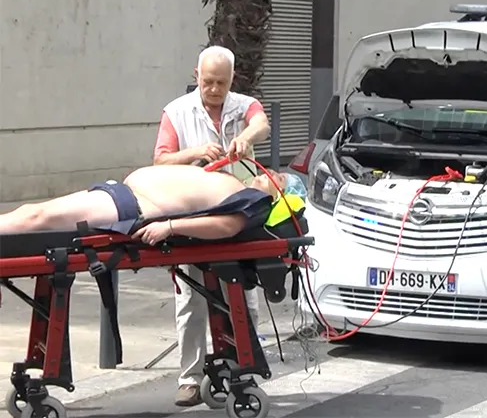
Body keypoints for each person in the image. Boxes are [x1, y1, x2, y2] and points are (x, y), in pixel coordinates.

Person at [152, 45, 272, 407]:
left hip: (237, 212)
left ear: (232, 80)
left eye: (221, 82)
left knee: (243, 295)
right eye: (208, 82)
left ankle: (244, 367)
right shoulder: (176, 112)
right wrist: (195, 153)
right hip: (193, 213)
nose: (215, 89)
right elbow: (160, 161)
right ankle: (189, 379)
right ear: (196, 76)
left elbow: (261, 123)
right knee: (191, 299)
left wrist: (245, 139)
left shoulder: (243, 105)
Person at [0, 164, 307, 238]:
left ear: (281, 194)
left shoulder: (255, 202)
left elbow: (227, 226)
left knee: (35, 217)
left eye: (278, 178)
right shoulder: (236, 183)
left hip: (132, 206)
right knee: (33, 213)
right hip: (123, 195)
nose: (271, 174)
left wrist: (170, 227)